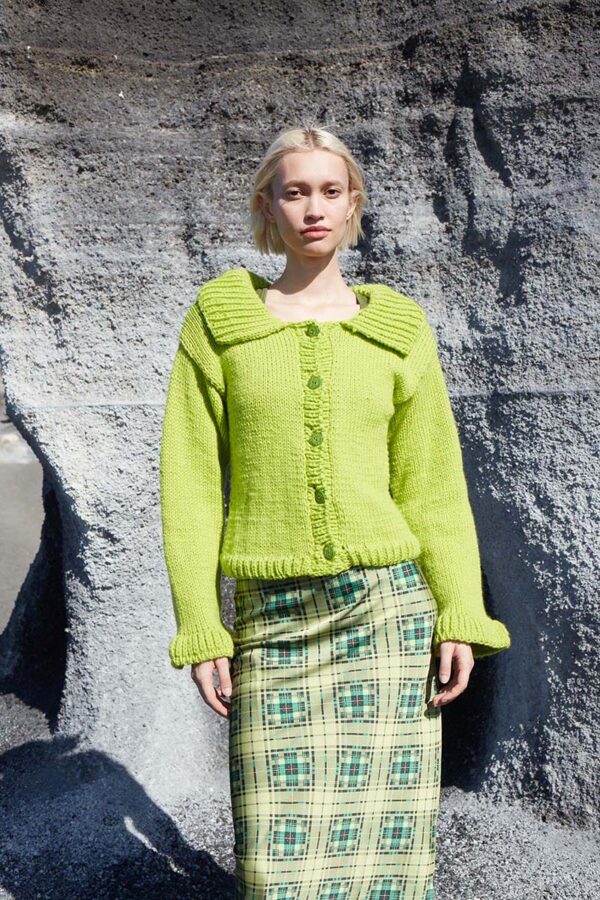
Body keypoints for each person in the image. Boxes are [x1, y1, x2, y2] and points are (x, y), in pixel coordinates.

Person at [159, 123, 511, 899]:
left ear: (353, 203)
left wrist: (458, 609)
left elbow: (432, 485)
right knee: (274, 855)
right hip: (272, 618)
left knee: (386, 852)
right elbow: (189, 483)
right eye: (294, 192)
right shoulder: (221, 322)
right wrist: (201, 623)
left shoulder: (397, 330)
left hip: (386, 614)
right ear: (268, 206)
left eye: (329, 191)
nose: (313, 208)